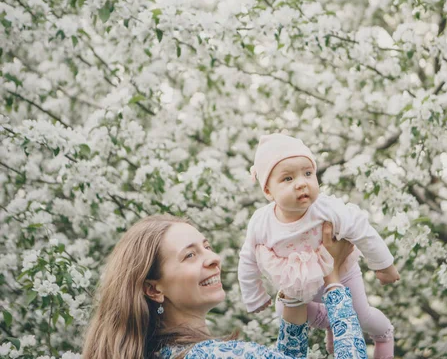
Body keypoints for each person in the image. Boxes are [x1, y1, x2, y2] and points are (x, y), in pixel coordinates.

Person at [82, 214, 368, 358]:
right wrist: (333, 280)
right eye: (190, 255)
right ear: (154, 289)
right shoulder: (213, 355)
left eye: (207, 247)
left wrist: (293, 297)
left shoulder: (166, 352)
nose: (213, 258)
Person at [238, 133, 400, 359]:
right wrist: (254, 296)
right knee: (284, 312)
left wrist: (383, 266)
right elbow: (247, 259)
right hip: (299, 282)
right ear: (268, 191)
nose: (301, 183)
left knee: (360, 315)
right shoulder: (261, 223)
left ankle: (384, 334)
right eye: (288, 179)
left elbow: (362, 230)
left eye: (307, 173)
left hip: (341, 273)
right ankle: (333, 324)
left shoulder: (327, 208)